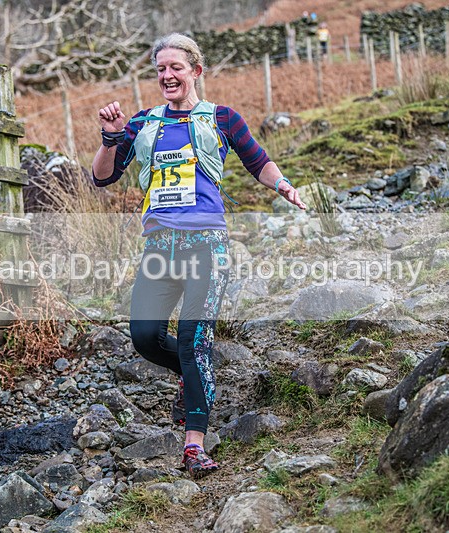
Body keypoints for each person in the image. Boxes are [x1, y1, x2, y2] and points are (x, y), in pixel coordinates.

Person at [92, 33, 306, 478]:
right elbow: (103, 178)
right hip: (159, 248)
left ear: (196, 71)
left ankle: (194, 446)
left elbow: (257, 161)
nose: (167, 76)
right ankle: (195, 377)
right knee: (144, 337)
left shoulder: (222, 118)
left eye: (176, 67)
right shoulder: (143, 123)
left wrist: (283, 185)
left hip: (207, 246)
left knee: (193, 340)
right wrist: (110, 138)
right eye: (161, 69)